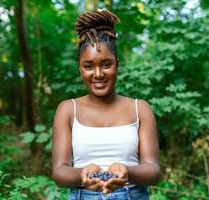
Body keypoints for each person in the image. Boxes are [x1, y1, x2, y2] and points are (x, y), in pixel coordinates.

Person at [52, 9, 160, 200]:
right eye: (88, 66)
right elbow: (59, 172)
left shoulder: (140, 109)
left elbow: (153, 171)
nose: (98, 74)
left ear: (117, 65)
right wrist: (82, 174)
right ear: (80, 68)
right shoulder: (68, 110)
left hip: (132, 194)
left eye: (106, 64)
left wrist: (127, 172)